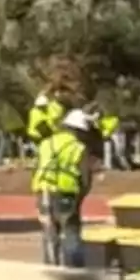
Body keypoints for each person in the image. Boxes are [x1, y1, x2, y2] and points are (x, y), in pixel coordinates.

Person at [32, 108, 95, 267]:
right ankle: (74, 272)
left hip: (43, 191)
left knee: (49, 232)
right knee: (71, 232)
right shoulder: (78, 148)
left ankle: (51, 270)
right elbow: (85, 177)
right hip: (66, 193)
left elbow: (36, 168)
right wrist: (80, 197)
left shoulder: (46, 143)